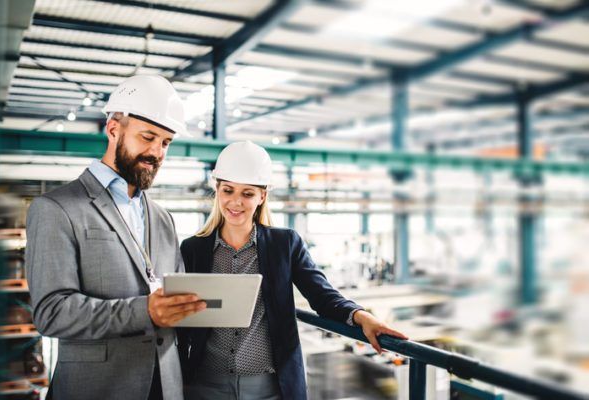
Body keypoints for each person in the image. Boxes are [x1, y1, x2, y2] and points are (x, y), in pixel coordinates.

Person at [178, 141, 408, 400]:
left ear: (262, 196)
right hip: (205, 384)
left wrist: (361, 316)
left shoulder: (284, 244)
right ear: (217, 190)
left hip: (268, 387)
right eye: (228, 190)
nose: (236, 202)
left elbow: (322, 295)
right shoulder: (193, 249)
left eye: (247, 193)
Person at [25, 75, 206, 400]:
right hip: (99, 387)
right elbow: (51, 311)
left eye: (166, 142)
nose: (156, 152)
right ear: (113, 130)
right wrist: (145, 312)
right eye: (148, 137)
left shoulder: (163, 218)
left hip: (166, 386)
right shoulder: (56, 208)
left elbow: (172, 292)